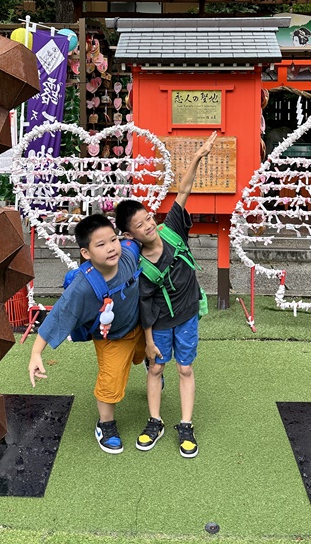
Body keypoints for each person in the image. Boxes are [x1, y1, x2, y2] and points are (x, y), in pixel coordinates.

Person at [115, 131, 217, 458]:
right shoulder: (138, 265)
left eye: (148, 218)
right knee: (156, 369)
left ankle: (185, 424)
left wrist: (199, 156)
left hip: (186, 315)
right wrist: (147, 340)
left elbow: (183, 189)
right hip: (159, 323)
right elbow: (144, 305)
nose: (148, 225)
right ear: (129, 235)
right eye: (140, 225)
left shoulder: (171, 229)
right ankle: (154, 421)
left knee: (185, 369)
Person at [28, 214, 145, 454]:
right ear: (86, 253)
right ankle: (106, 424)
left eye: (113, 240)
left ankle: (152, 370)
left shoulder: (128, 254)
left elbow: (140, 241)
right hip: (112, 338)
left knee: (151, 357)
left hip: (141, 324)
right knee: (110, 381)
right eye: (101, 245)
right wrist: (36, 353)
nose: (111, 248)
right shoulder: (83, 286)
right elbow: (58, 315)